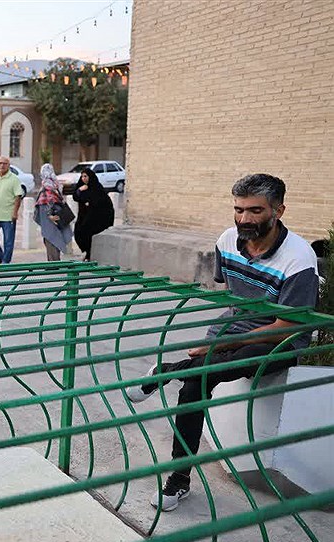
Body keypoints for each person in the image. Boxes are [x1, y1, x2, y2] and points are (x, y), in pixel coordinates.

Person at [125, 173, 319, 511]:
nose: (244, 219)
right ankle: (179, 479)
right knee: (193, 387)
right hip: (234, 328)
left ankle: (169, 370)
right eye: (238, 209)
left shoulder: (299, 258)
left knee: (235, 358)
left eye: (255, 211)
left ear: (278, 211)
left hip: (280, 341)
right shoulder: (228, 241)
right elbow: (234, 297)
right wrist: (224, 339)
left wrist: (227, 345)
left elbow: (286, 327)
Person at [71, 167, 115, 261]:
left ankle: (89, 254)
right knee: (78, 233)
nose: (83, 178)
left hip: (95, 217)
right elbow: (75, 197)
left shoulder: (96, 187)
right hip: (83, 216)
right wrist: (80, 190)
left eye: (85, 176)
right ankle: (86, 252)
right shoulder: (82, 187)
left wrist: (90, 203)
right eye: (82, 176)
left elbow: (102, 201)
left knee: (88, 234)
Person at [34, 163, 74, 261]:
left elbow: (48, 200)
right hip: (58, 216)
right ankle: (55, 261)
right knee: (56, 239)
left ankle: (53, 264)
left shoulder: (46, 184)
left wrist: (49, 214)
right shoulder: (56, 183)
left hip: (50, 218)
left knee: (51, 240)